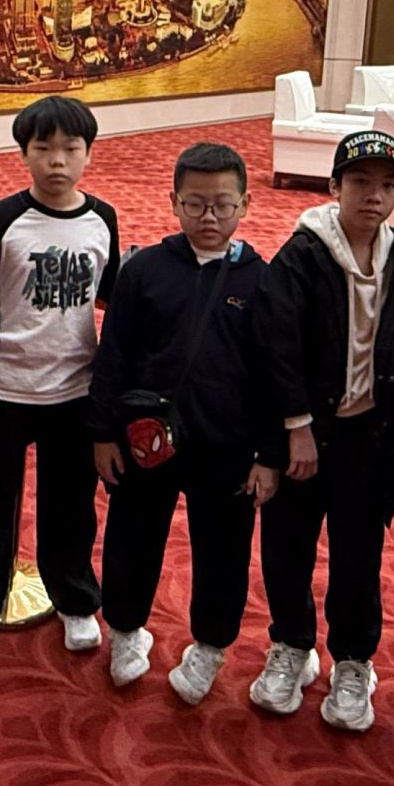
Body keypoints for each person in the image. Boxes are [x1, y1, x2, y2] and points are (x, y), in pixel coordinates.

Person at [251, 129, 394, 731]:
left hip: (370, 439)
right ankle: (291, 645)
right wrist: (295, 428)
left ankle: (354, 660)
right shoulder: (302, 255)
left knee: (358, 555)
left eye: (387, 185)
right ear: (334, 186)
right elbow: (276, 350)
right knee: (288, 546)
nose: (373, 195)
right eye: (359, 182)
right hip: (306, 431)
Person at [89, 141, 282, 703]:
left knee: (223, 549)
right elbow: (113, 355)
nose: (209, 217)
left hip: (228, 444)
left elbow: (275, 376)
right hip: (146, 438)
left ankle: (210, 647)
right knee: (132, 535)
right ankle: (126, 630)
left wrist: (268, 454)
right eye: (195, 204)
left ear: (245, 204)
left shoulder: (260, 280)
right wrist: (102, 433)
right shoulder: (144, 270)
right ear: (174, 202)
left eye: (223, 205)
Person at [0, 96, 119, 674]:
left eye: (70, 148)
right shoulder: (2, 219)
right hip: (2, 386)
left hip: (74, 389)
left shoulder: (103, 219)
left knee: (71, 506)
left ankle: (74, 599)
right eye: (43, 148)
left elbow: (111, 295)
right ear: (24, 154)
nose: (57, 161)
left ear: (88, 153)